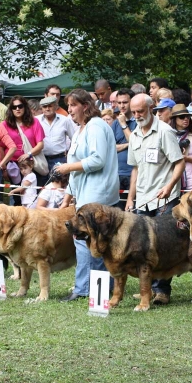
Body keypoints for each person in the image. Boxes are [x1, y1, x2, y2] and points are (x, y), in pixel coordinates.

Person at [56, 88, 120, 302]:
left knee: (87, 240)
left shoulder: (95, 127)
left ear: (85, 106)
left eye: (73, 105)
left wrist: (67, 167)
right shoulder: (81, 130)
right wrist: (69, 195)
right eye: (68, 105)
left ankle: (85, 288)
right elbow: (78, 170)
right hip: (84, 194)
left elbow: (97, 160)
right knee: (91, 241)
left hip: (98, 195)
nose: (69, 110)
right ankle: (96, 286)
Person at [125, 94, 185, 305]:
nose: (137, 115)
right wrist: (130, 198)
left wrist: (169, 187)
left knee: (163, 245)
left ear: (151, 108)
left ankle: (162, 291)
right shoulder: (133, 135)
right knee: (141, 247)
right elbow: (135, 169)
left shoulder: (165, 131)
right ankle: (147, 289)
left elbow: (179, 162)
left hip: (164, 199)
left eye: (140, 111)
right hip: (142, 198)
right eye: (133, 112)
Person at [2, 95, 46, 191]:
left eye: (20, 106)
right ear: (11, 109)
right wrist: (4, 167)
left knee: (34, 194)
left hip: (31, 163)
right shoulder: (4, 124)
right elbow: (1, 147)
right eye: (14, 107)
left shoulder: (34, 121)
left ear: (25, 107)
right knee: (17, 195)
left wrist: (28, 154)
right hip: (13, 165)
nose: (17, 109)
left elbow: (40, 144)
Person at [37, 96, 75, 177]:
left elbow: (74, 138)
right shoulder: (36, 120)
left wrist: (70, 155)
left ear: (55, 106)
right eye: (44, 106)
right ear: (41, 108)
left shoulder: (65, 120)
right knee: (41, 186)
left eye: (50, 106)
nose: (47, 109)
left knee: (60, 186)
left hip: (59, 159)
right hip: (41, 159)